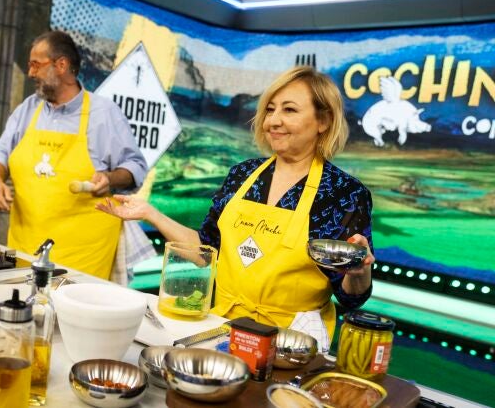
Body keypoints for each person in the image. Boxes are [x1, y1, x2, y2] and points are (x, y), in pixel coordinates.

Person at [98, 66, 374, 351]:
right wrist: (150, 213)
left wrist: (359, 272)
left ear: (323, 121)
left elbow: (351, 297)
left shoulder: (344, 194)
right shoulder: (242, 175)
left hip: (290, 343)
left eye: (289, 110)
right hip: (222, 329)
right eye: (270, 110)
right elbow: (206, 251)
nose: (273, 121)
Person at [0, 31, 147, 280]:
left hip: (83, 260)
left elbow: (135, 167)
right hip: (26, 250)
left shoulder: (104, 113)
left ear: (61, 65)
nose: (30, 73)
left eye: (36, 65)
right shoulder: (28, 109)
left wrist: (109, 178)